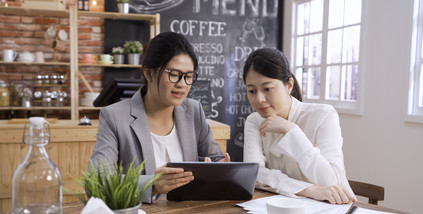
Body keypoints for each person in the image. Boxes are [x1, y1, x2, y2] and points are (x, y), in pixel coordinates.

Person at [89, 32, 229, 204]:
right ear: (149, 74)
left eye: (189, 76)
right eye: (174, 74)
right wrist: (151, 184)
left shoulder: (193, 110)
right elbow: (97, 181)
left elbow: (215, 159)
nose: (182, 84)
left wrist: (221, 168)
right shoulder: (114, 117)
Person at [242, 48, 356, 204]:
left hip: (331, 210)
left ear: (289, 85)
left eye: (267, 89)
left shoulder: (324, 115)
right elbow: (254, 174)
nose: (259, 99)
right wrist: (310, 190)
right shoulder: (254, 121)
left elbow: (331, 181)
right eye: (252, 91)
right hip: (280, 210)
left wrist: (291, 130)